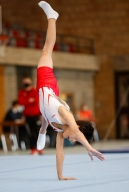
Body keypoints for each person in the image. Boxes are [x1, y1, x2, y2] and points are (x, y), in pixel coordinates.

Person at [37, 1, 105, 180]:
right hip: (47, 84)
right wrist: (89, 148)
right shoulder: (66, 117)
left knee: (44, 116)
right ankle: (52, 16)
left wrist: (61, 176)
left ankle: (42, 131)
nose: (71, 140)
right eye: (74, 139)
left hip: (48, 98)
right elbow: (75, 130)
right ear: (77, 130)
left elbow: (60, 154)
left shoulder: (61, 132)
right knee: (46, 49)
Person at [18, 77, 42, 155]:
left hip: (35, 115)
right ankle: (33, 148)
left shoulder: (35, 91)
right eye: (25, 82)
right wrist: (29, 101)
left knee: (38, 131)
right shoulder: (21, 92)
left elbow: (36, 101)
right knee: (30, 132)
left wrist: (28, 101)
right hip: (27, 116)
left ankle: (40, 148)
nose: (26, 84)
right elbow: (21, 102)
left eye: (28, 82)